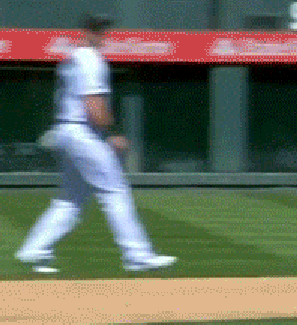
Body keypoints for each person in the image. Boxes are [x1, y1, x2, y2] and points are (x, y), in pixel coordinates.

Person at [16, 16, 177, 274]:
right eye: (98, 31)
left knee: (71, 200)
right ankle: (137, 255)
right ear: (87, 33)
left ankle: (34, 249)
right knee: (115, 191)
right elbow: (93, 102)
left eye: (103, 31)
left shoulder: (71, 58)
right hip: (82, 133)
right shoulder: (91, 59)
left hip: (66, 130)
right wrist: (110, 134)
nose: (103, 36)